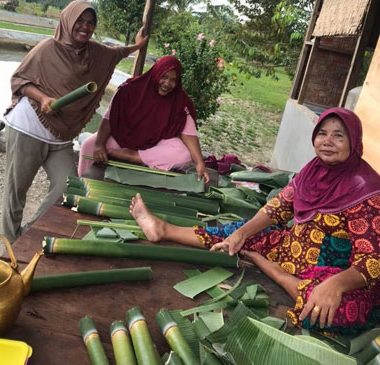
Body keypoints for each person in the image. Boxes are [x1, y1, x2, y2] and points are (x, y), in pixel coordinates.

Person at [129, 107, 380, 332]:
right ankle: (164, 230)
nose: (328, 141)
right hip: (290, 248)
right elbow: (277, 209)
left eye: (339, 136)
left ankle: (272, 271)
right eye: (322, 133)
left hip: (334, 274)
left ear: (354, 142)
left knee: (330, 311)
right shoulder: (312, 171)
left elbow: (372, 260)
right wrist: (242, 234)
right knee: (236, 233)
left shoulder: (367, 190)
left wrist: (336, 285)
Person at [2, 0, 147, 242]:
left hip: (61, 135)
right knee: (16, 191)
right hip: (29, 127)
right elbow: (19, 80)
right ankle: (9, 242)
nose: (85, 26)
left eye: (91, 23)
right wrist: (43, 97)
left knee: (68, 186)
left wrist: (138, 46)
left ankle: (26, 234)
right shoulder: (47, 48)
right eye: (80, 20)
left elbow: (117, 54)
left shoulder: (95, 53)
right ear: (68, 21)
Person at [78, 55, 209, 183]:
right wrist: (99, 144)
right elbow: (109, 118)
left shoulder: (180, 100)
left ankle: (133, 156)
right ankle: (81, 182)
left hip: (155, 144)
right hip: (123, 138)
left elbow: (188, 133)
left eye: (173, 80)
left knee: (184, 155)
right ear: (156, 73)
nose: (168, 84)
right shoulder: (129, 89)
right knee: (89, 145)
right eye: (164, 77)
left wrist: (199, 162)